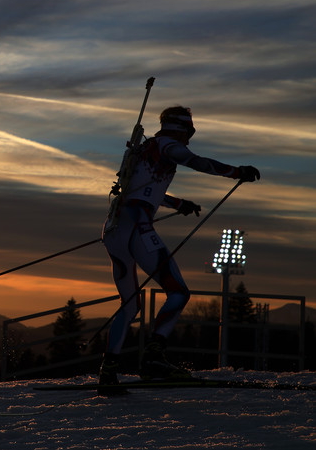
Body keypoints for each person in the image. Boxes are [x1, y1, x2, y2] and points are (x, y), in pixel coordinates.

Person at [99, 106, 260, 390]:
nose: (190, 137)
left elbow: (142, 189)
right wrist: (237, 172)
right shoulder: (168, 145)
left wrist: (177, 204)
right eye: (190, 130)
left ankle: (108, 369)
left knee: (130, 303)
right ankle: (154, 358)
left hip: (114, 228)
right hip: (138, 226)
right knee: (178, 292)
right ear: (181, 129)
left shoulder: (144, 147)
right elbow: (194, 162)